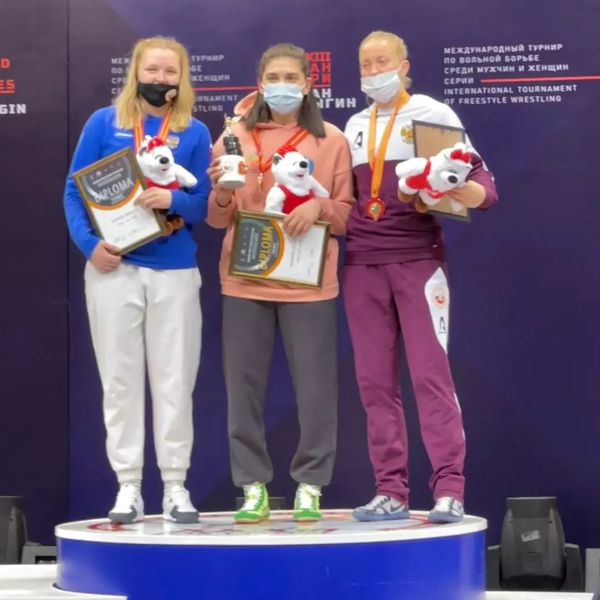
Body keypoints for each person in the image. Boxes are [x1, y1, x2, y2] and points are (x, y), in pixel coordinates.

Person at [343, 31, 498, 523]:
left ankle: (449, 489)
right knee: (374, 384)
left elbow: (483, 185)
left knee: (431, 377)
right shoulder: (353, 126)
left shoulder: (433, 114)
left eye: (382, 62)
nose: (374, 72)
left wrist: (463, 193)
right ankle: (390, 491)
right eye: (366, 64)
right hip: (361, 265)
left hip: (418, 261)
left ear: (404, 66)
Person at [63, 36, 211, 524]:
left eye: (171, 71)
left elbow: (203, 204)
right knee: (119, 381)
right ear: (135, 73)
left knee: (175, 380)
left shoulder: (194, 131)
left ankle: (175, 486)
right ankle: (128, 486)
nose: (160, 79)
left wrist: (174, 201)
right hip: (114, 268)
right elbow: (74, 191)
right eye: (153, 70)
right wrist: (90, 245)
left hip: (174, 270)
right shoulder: (103, 123)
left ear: (182, 79)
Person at [206, 43, 353, 523]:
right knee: (243, 390)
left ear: (308, 84)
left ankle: (311, 484)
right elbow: (217, 220)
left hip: (309, 284)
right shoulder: (233, 138)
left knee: (316, 390)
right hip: (245, 281)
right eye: (274, 77)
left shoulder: (331, 139)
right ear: (260, 84)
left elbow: (346, 215)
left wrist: (319, 207)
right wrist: (221, 192)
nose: (282, 86)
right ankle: (252, 487)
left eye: (291, 77)